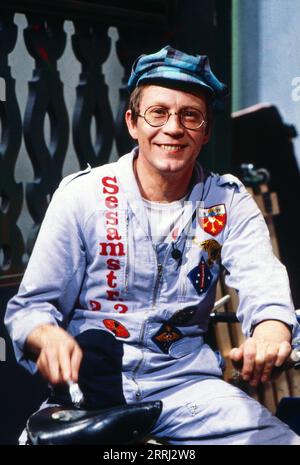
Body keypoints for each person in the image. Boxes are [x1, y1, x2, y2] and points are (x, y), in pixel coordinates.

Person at [5, 45, 300, 445]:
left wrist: (270, 331)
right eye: (158, 113)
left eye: (190, 115)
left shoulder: (227, 201)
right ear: (133, 122)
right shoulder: (84, 195)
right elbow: (30, 308)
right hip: (91, 395)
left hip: (188, 390)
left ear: (206, 131)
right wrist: (47, 335)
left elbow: (262, 282)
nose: (173, 128)